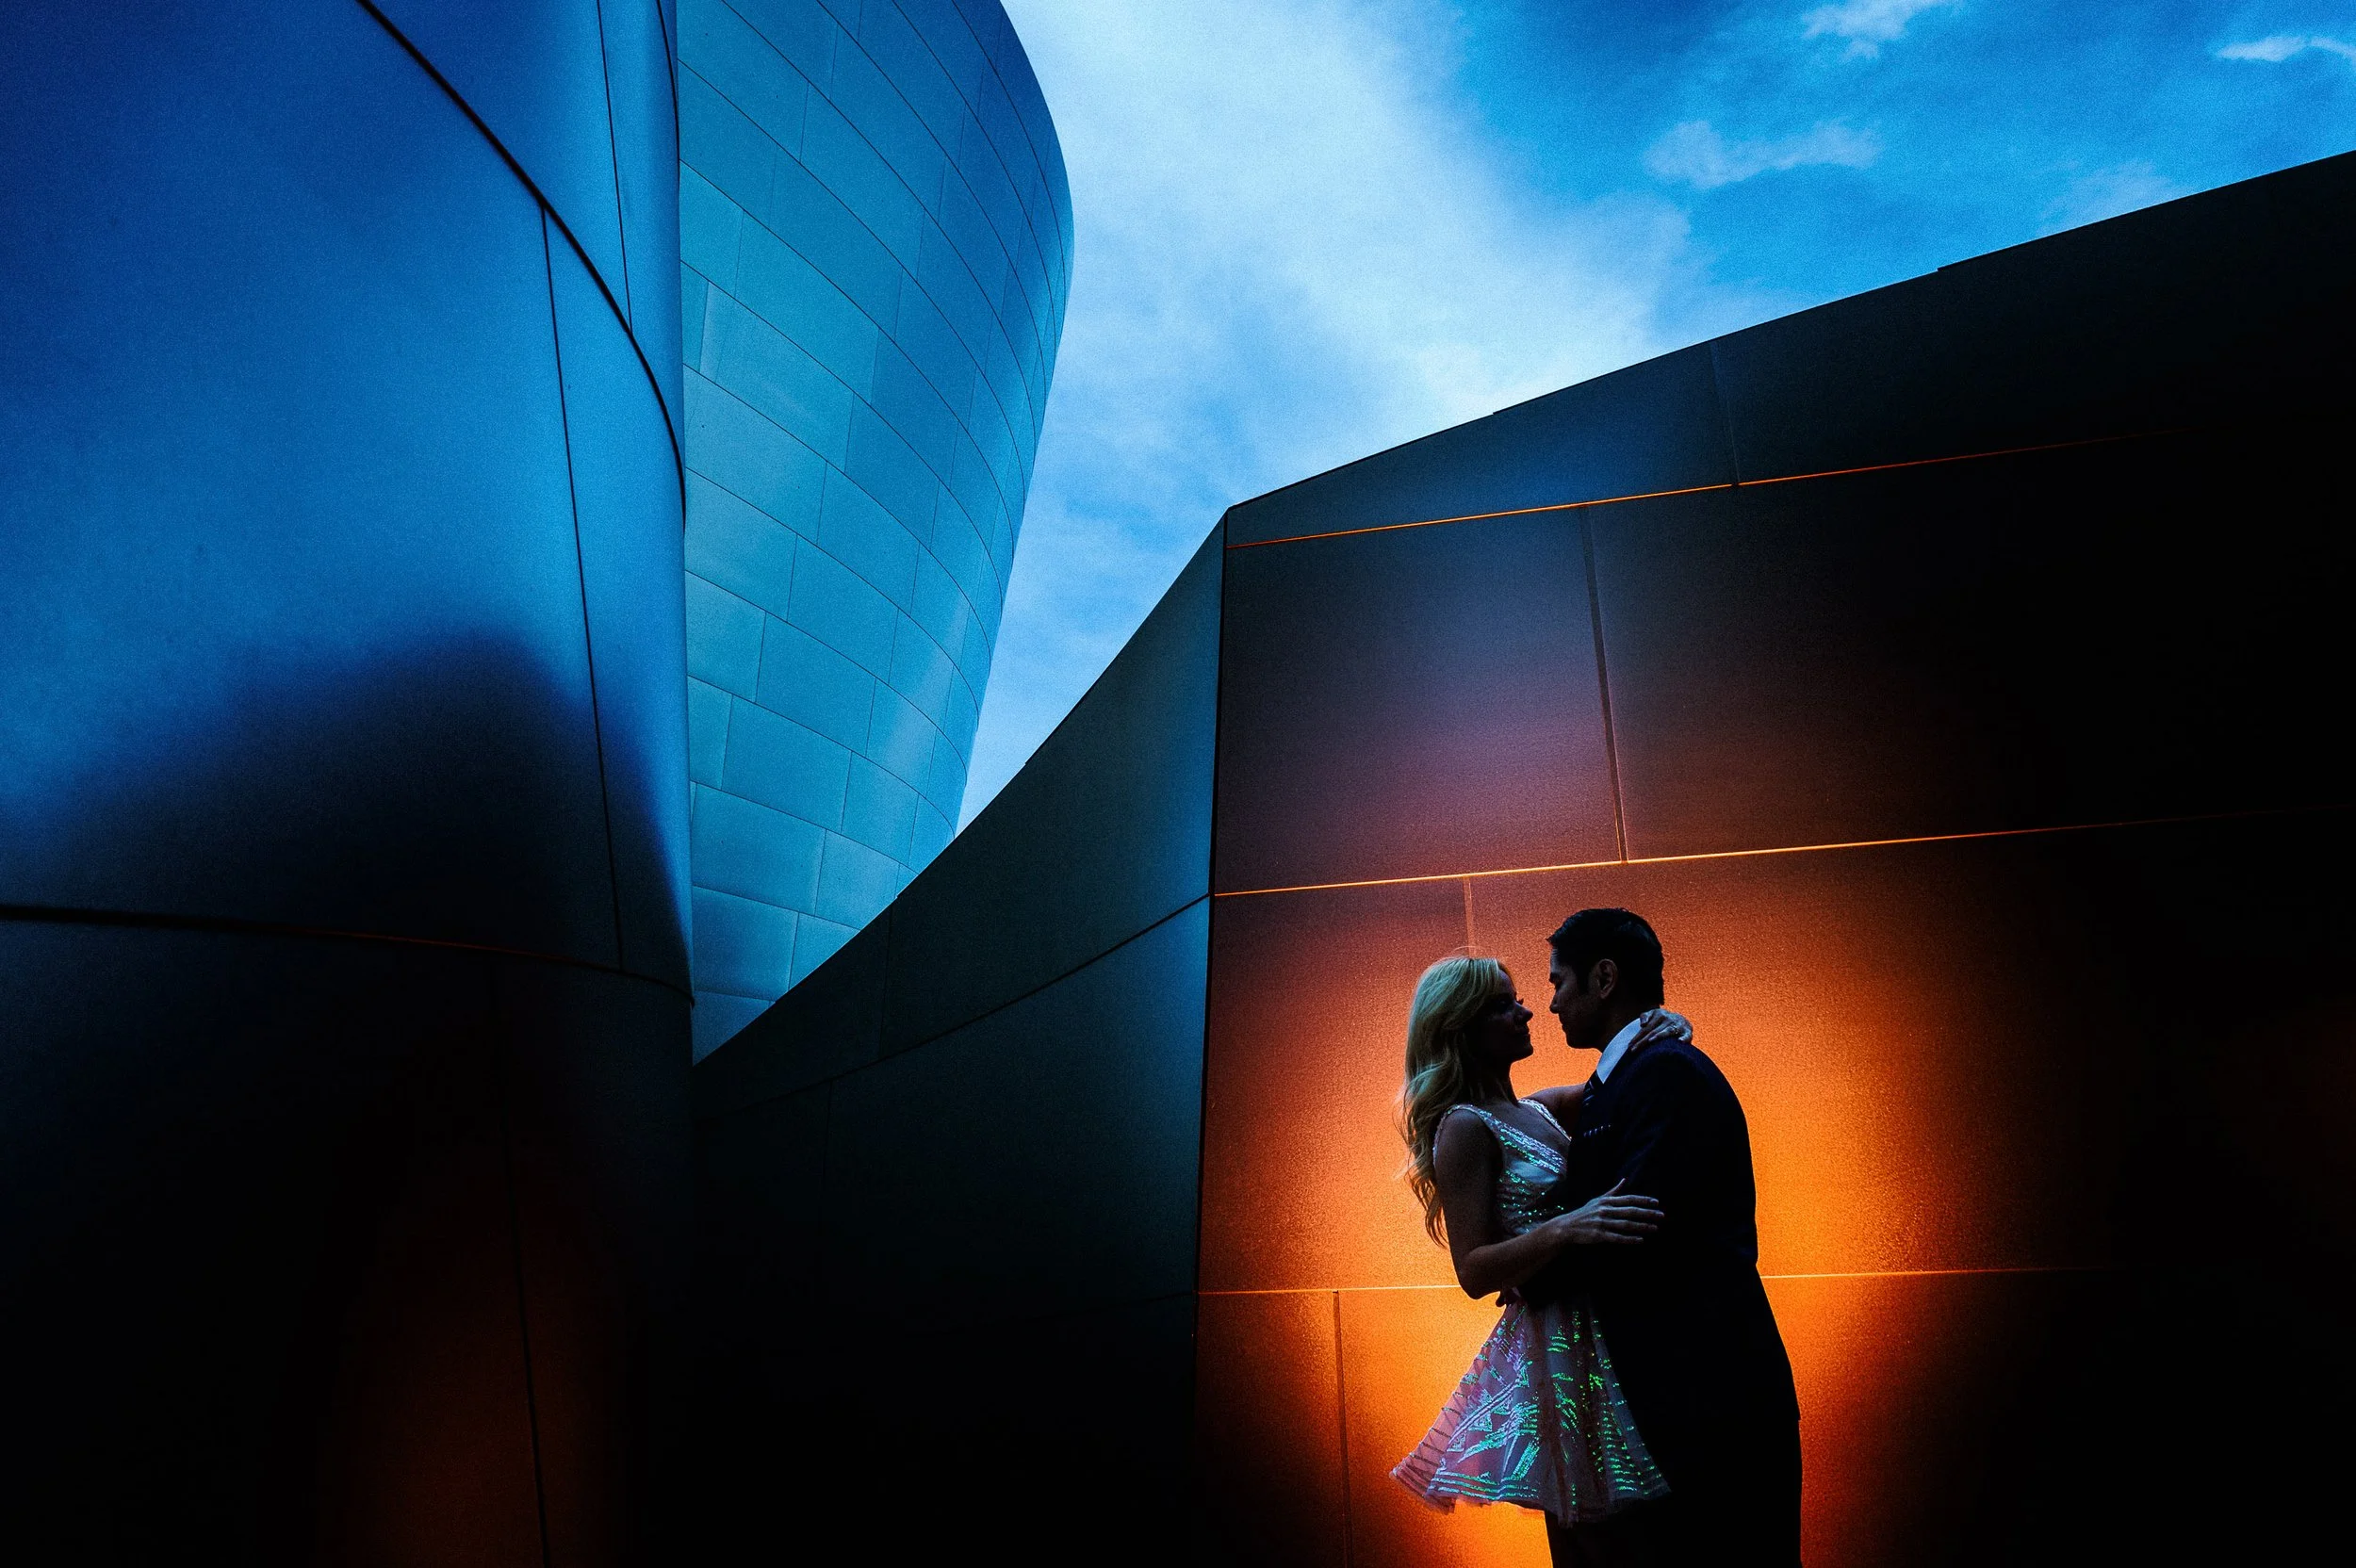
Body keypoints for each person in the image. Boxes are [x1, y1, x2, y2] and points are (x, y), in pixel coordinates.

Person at [1523, 908, 1801, 1566]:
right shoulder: (1629, 1079)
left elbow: (1635, 1227)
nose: (1551, 1003)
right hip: (1669, 1411)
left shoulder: (1666, 1073)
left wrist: (1525, 1268)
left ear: (1605, 977)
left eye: (1560, 982)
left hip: (1702, 1411)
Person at [1389, 955, 1674, 1553]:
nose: (1526, 1011)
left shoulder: (1539, 1110)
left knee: (1641, 1534)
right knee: (1596, 1539)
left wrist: (1652, 1031)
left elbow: (1609, 1085)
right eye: (1502, 1005)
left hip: (1599, 1327)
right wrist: (1570, 1227)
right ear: (1462, 1028)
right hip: (1557, 1349)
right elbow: (1472, 1269)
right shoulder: (1463, 1128)